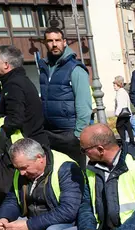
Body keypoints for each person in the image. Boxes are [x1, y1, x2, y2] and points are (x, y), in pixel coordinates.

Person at [37, 27, 91, 167]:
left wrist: (78, 135)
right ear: (45, 43)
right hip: (49, 133)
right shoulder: (44, 67)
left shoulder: (75, 68)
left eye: (58, 40)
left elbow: (84, 104)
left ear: (64, 42)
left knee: (76, 177)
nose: (54, 44)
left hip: (69, 134)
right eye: (50, 41)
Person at [0, 45, 48, 146]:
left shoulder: (14, 85)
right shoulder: (18, 80)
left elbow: (15, 119)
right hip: (31, 143)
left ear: (6, 64)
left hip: (28, 147)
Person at [113, 75, 134, 148]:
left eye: (114, 84)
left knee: (119, 126)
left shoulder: (120, 92)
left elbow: (120, 104)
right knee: (128, 126)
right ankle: (131, 141)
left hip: (122, 113)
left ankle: (124, 141)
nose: (114, 86)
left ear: (118, 84)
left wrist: (116, 113)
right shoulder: (124, 91)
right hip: (127, 113)